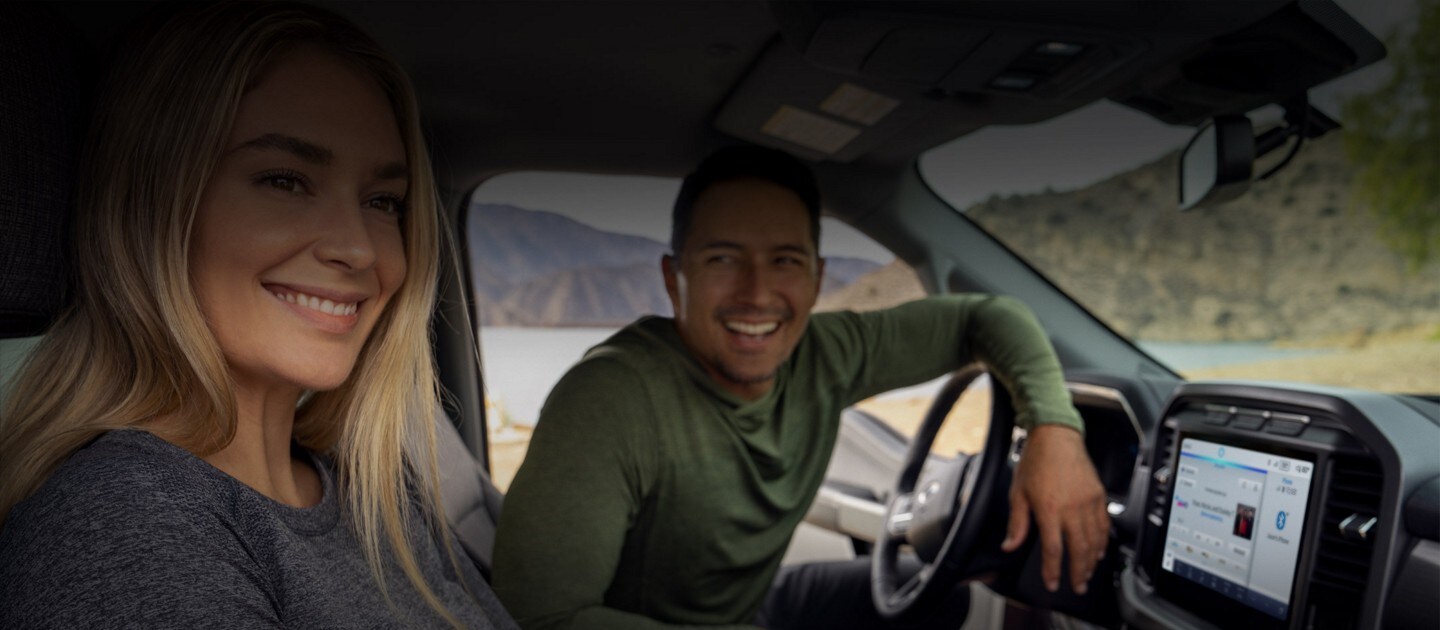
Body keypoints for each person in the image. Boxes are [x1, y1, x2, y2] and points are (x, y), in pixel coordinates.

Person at [0, 3, 515, 628]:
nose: (357, 248)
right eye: (284, 180)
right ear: (153, 206)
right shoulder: (120, 525)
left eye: (383, 201)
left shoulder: (372, 494)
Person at [491, 146, 1110, 629]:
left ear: (816, 279)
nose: (757, 293)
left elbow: (990, 317)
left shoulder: (826, 354)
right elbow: (539, 618)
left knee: (935, 600)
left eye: (785, 260)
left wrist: (1055, 430)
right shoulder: (610, 399)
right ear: (673, 278)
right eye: (723, 259)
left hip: (755, 607)